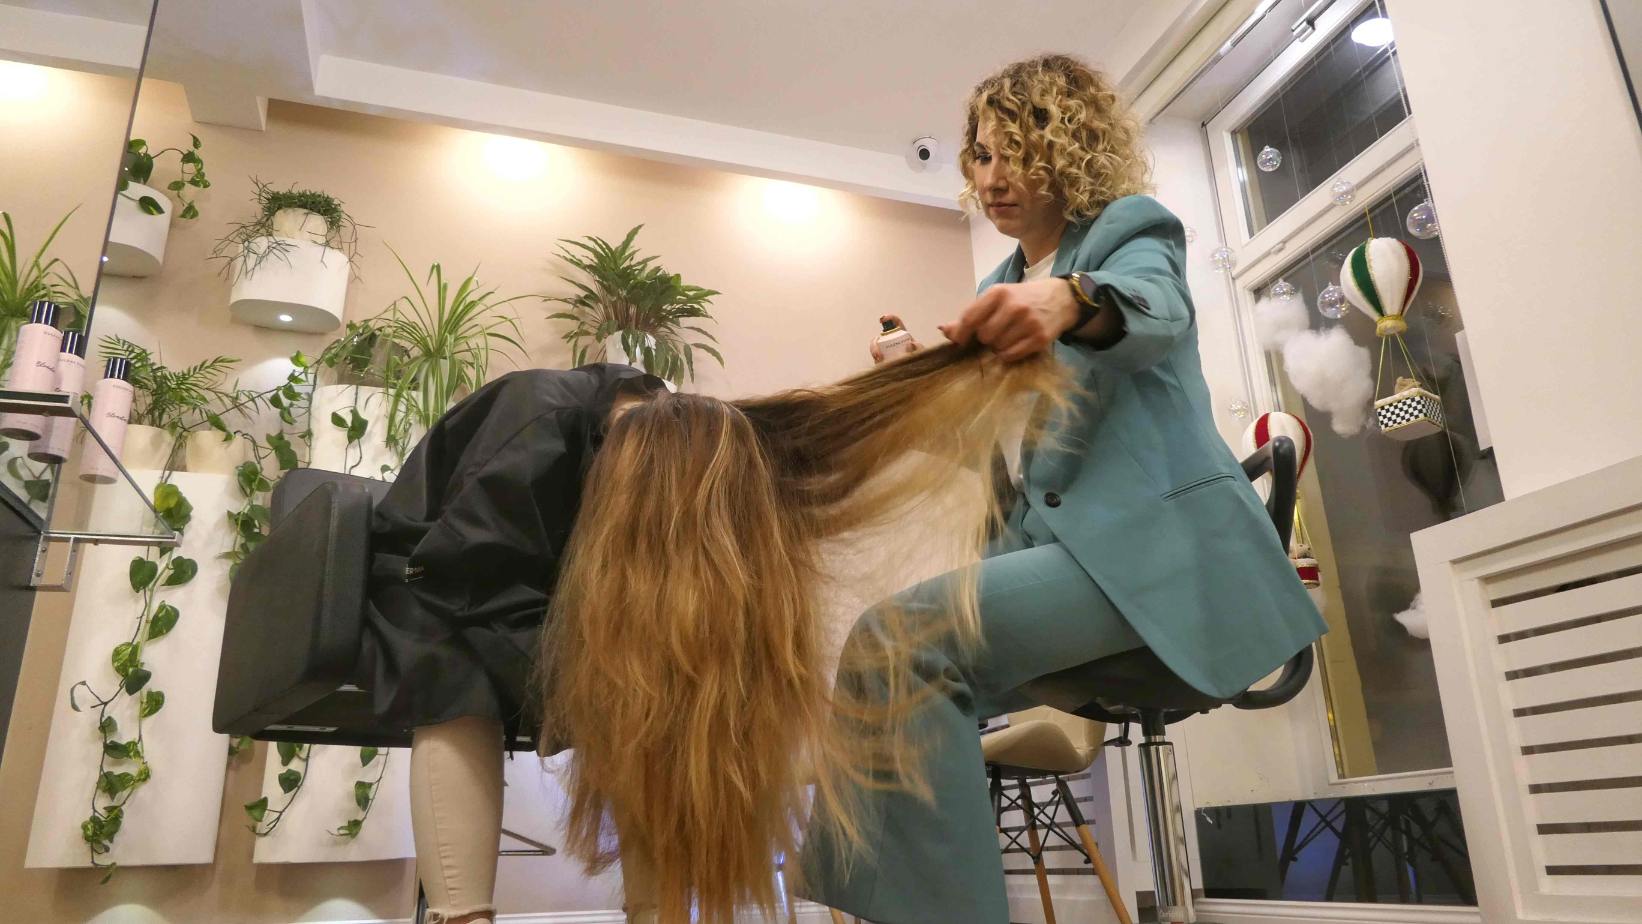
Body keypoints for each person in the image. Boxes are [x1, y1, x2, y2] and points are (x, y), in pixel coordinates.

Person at [794, 54, 1328, 924]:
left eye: (1014, 153)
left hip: (1160, 561)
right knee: (889, 667)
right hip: (1072, 564)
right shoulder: (997, 288)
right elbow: (1001, 460)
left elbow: (1152, 307)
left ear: (1068, 149)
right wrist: (923, 391)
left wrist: (1073, 300)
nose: (991, 178)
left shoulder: (1127, 230)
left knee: (898, 640)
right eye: (981, 155)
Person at [365, 349, 1066, 924]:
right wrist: (576, 689)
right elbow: (453, 571)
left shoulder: (710, 441)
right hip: (434, 572)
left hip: (562, 580)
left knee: (654, 702)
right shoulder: (537, 419)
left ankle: (661, 912)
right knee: (456, 685)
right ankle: (462, 915)